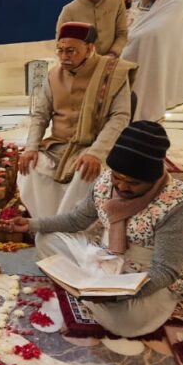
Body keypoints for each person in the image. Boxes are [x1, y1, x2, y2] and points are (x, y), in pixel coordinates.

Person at [4, 121, 183, 339]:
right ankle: (92, 292)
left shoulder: (180, 206)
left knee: (128, 323)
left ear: (153, 177)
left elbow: (165, 272)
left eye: (133, 183)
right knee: (45, 239)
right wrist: (33, 224)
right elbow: (76, 220)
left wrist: (118, 295)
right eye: (118, 177)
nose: (122, 187)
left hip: (146, 277)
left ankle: (88, 293)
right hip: (107, 255)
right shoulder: (106, 181)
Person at [17, 22, 135, 220]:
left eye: (71, 51)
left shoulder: (113, 74)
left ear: (89, 49)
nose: (64, 57)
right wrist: (31, 147)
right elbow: (40, 115)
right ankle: (46, 222)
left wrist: (96, 153)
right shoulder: (53, 75)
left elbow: (120, 117)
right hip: (58, 147)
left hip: (94, 146)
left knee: (85, 173)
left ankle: (73, 227)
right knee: (30, 168)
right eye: (60, 51)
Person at [122, 0, 183, 122]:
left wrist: (135, 36)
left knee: (150, 103)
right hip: (136, 55)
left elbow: (158, 30)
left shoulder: (175, 2)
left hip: (157, 59)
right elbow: (133, 28)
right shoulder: (139, 6)